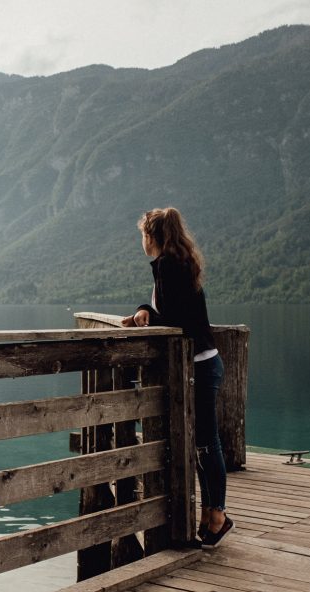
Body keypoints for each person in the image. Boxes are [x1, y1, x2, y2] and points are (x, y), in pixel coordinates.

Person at [121, 207, 232, 549]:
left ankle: (218, 516)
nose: (142, 241)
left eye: (142, 235)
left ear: (150, 237)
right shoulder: (176, 264)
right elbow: (170, 310)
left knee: (206, 443)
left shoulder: (168, 266)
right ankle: (211, 515)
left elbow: (173, 320)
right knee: (202, 444)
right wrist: (144, 308)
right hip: (203, 361)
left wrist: (147, 315)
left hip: (198, 364)